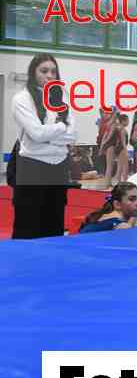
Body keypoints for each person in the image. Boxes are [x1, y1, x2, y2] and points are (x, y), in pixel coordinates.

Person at [11, 53, 76, 239]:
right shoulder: (22, 98)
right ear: (33, 72)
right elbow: (36, 134)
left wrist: (49, 136)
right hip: (32, 167)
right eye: (44, 71)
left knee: (54, 223)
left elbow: (72, 135)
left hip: (59, 167)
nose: (49, 76)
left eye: (53, 72)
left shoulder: (62, 97)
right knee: (28, 224)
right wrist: (61, 127)